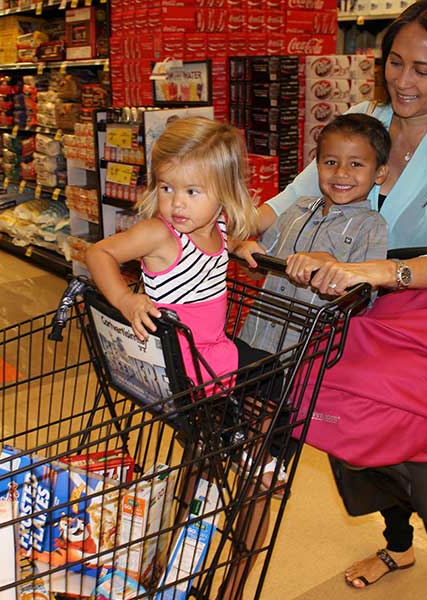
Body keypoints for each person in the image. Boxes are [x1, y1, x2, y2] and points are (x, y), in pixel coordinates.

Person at [244, 0, 427, 589]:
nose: (403, 81)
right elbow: (294, 195)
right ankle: (400, 544)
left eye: (423, 69)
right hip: (354, 296)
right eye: (395, 62)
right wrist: (239, 225)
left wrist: (375, 271)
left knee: (423, 432)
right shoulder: (366, 118)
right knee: (352, 427)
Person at [85, 115, 279, 600]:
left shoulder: (214, 226)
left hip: (208, 352)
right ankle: (255, 450)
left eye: (193, 192)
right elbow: (99, 255)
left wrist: (243, 244)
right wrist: (127, 301)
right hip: (184, 364)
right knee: (272, 372)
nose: (176, 203)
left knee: (254, 370)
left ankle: (236, 436)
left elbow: (224, 242)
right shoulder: (158, 234)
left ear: (223, 193)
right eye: (168, 188)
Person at [236, 113, 391, 354]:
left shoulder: (372, 226)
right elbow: (258, 269)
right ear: (316, 165)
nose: (341, 172)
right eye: (330, 162)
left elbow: (362, 301)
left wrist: (333, 274)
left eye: (356, 164)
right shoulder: (296, 209)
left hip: (305, 354)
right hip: (255, 334)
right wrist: (247, 252)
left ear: (379, 173)